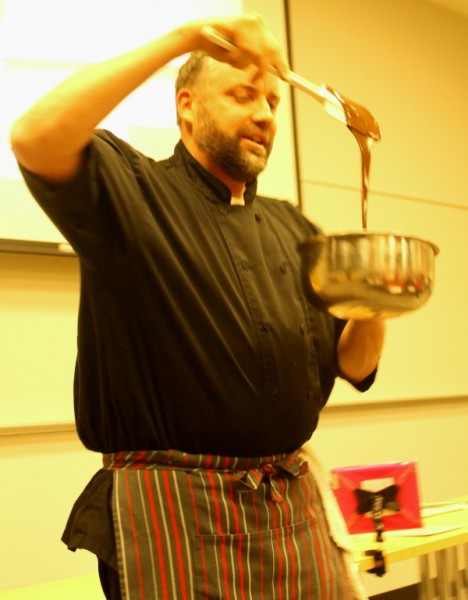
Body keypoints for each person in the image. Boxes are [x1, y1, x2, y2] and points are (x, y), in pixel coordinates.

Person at [10, 12, 385, 600]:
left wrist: (374, 305)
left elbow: (354, 366)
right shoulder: (132, 194)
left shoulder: (296, 230)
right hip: (176, 517)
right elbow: (35, 137)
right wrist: (182, 39)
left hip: (294, 511)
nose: (264, 113)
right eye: (242, 95)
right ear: (186, 106)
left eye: (271, 102)